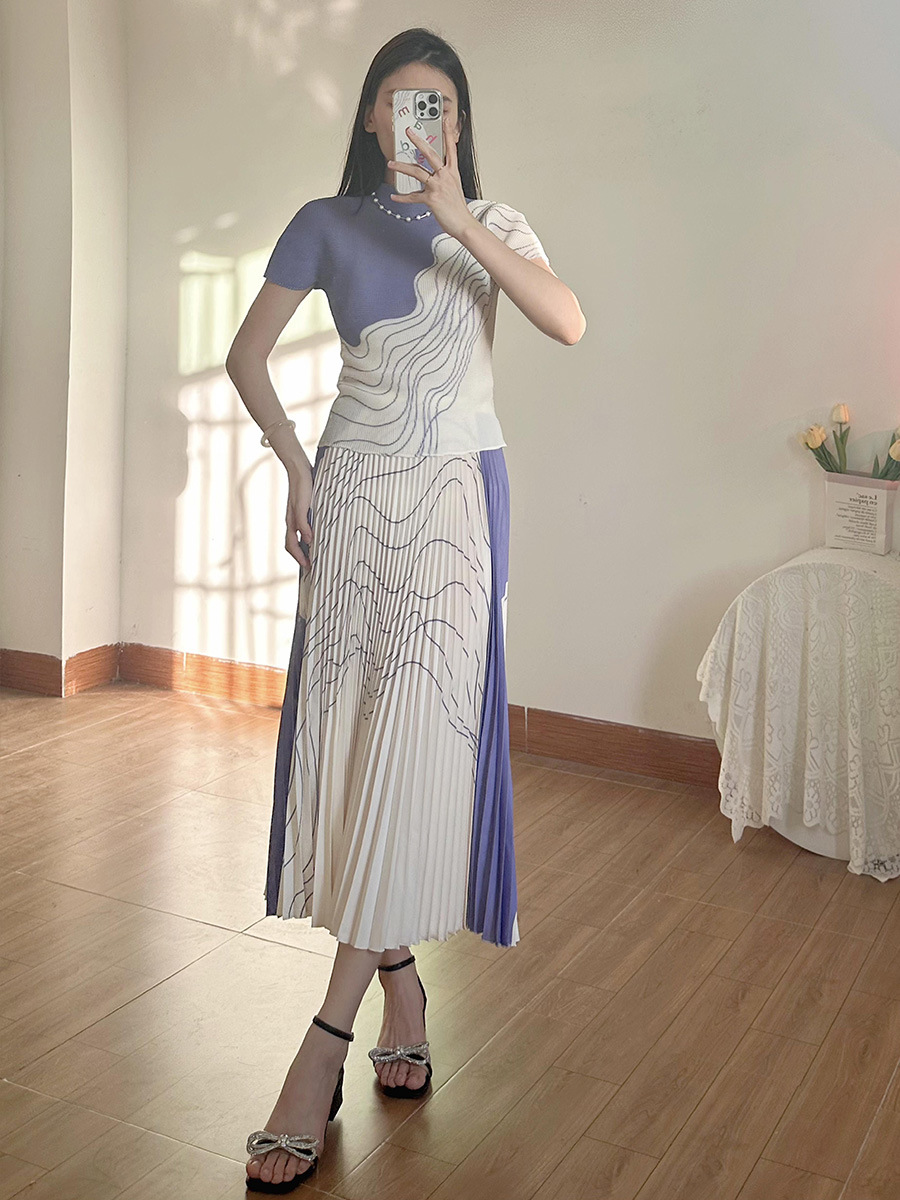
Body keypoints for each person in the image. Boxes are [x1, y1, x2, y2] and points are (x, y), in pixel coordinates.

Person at [225, 25, 586, 1193]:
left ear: (459, 124)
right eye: (401, 100)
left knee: (412, 755)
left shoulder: (498, 225)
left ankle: (319, 1048)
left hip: (454, 504)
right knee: (358, 752)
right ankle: (401, 985)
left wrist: (462, 219)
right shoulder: (324, 222)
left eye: (441, 104)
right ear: (373, 116)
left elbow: (567, 321)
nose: (421, 118)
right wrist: (295, 467)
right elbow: (246, 357)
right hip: (352, 498)